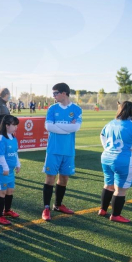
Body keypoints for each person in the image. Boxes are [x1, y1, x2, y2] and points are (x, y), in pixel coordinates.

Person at [42, 83, 82, 221]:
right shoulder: (52, 109)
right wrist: (68, 127)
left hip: (68, 150)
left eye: (55, 93)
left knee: (64, 178)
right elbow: (48, 126)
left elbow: (76, 127)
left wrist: (58, 126)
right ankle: (46, 208)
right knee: (50, 178)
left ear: (64, 93)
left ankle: (58, 205)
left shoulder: (76, 109)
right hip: (53, 150)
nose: (53, 96)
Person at [99, 101, 132, 223]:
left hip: (106, 158)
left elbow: (102, 135)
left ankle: (103, 210)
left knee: (108, 184)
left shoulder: (110, 123)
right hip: (123, 160)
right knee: (120, 190)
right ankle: (115, 215)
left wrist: (106, 148)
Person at [0, 115, 21, 225]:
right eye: (14, 125)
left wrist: (18, 164)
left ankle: (7, 210)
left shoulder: (13, 138)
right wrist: (5, 167)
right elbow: (0, 156)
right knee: (2, 192)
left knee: (10, 190)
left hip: (10, 170)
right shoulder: (0, 139)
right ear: (7, 125)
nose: (16, 127)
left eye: (16, 125)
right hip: (1, 170)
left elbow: (15, 153)